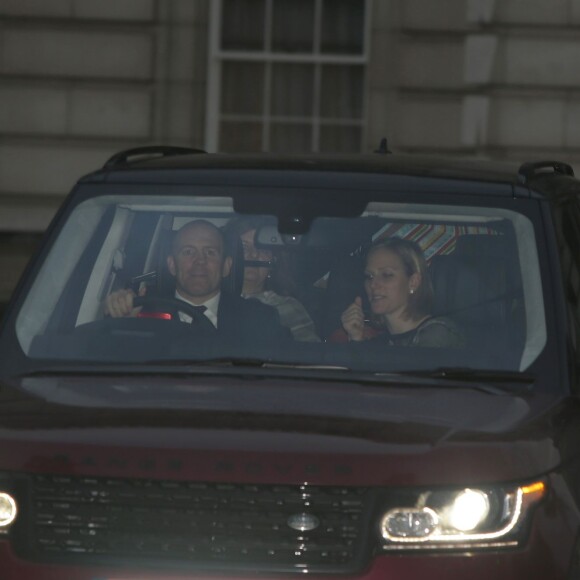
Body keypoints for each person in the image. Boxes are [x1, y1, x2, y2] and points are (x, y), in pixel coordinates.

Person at [105, 219, 290, 348]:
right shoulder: (143, 312)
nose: (199, 261)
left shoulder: (260, 319)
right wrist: (124, 321)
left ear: (226, 267)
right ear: (171, 265)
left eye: (210, 252)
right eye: (188, 252)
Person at [339, 237, 464, 347]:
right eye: (369, 276)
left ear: (413, 282)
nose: (373, 284)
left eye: (387, 275)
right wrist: (355, 337)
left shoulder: (438, 333)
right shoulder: (381, 343)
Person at [225, 216, 320, 342]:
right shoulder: (213, 300)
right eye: (243, 247)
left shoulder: (288, 307)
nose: (253, 255)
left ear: (274, 259)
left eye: (262, 248)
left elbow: (308, 355)